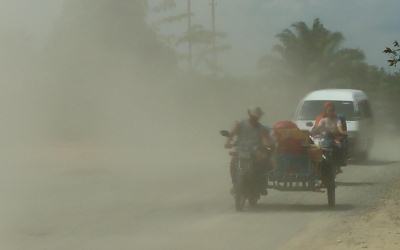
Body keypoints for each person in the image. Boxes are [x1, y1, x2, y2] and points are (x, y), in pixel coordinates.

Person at [224, 107, 274, 195]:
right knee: (233, 163)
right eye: (253, 116)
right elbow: (232, 134)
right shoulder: (240, 124)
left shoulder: (261, 128)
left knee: (263, 162)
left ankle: (260, 184)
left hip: (255, 152)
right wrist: (228, 142)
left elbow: (265, 139)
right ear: (249, 115)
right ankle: (235, 183)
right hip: (241, 150)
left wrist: (266, 145)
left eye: (256, 117)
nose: (254, 119)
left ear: (259, 117)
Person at [311, 102, 347, 172]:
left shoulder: (337, 120)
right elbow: (319, 128)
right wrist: (314, 131)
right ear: (326, 111)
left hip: (334, 138)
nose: (331, 112)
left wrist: (342, 132)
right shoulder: (323, 120)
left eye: (333, 110)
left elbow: (339, 128)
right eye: (329, 110)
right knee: (315, 148)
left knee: (339, 146)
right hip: (324, 139)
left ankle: (337, 164)